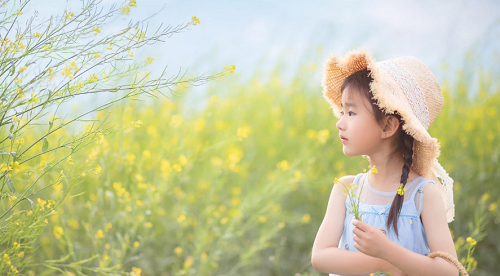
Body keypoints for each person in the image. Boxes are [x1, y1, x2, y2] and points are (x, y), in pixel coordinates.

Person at [311, 49, 458, 276]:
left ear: (388, 126)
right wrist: (383, 263)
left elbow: (449, 270)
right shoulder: (346, 189)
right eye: (342, 111)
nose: (340, 123)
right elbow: (320, 257)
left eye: (351, 113)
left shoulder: (422, 194)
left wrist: (388, 251)